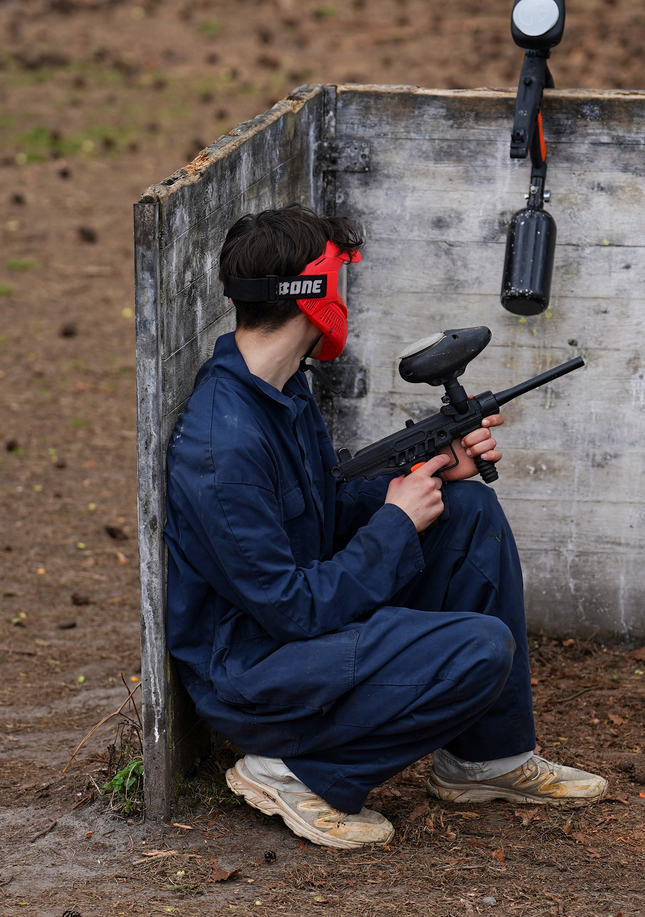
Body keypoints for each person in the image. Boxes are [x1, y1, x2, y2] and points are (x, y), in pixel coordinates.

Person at [164, 203, 607, 850]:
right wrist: (396, 522)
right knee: (478, 649)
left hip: (291, 635)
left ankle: (485, 758)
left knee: (467, 511)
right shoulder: (222, 445)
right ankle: (290, 771)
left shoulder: (280, 391)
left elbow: (324, 511)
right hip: (253, 673)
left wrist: (430, 471)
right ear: (315, 293)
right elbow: (290, 608)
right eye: (339, 280)